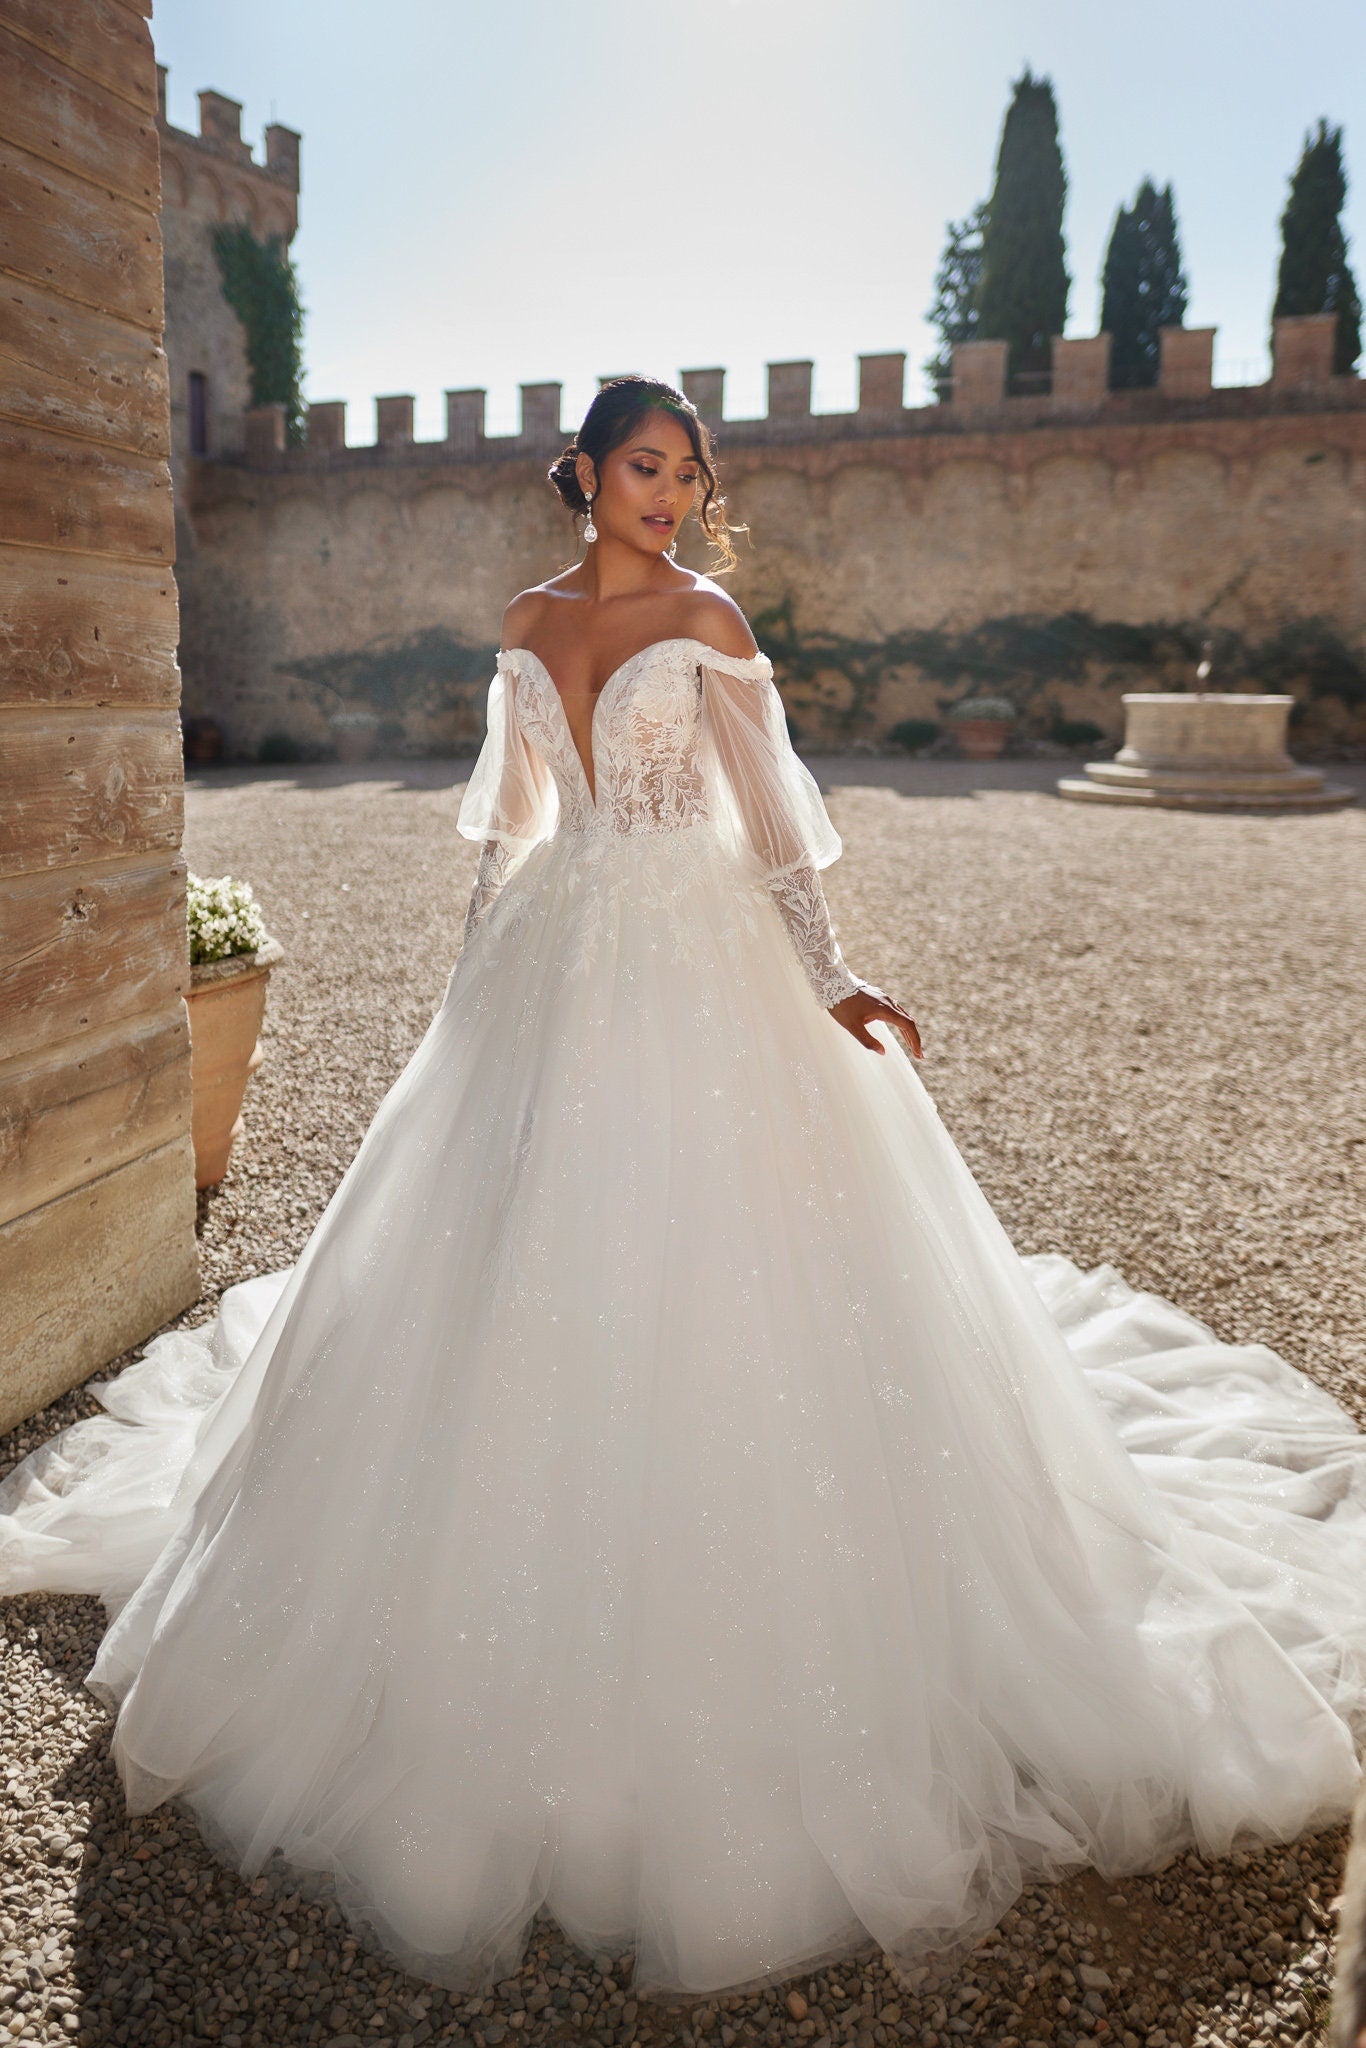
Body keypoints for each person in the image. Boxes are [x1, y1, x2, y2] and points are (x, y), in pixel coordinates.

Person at [2, 373, 1365, 2007]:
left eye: (687, 471)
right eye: (646, 466)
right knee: (506, 1257)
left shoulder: (710, 621)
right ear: (583, 470)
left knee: (738, 1264)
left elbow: (775, 831)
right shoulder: (527, 615)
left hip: (687, 949)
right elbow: (506, 822)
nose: (671, 493)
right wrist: (469, 987)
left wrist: (835, 981)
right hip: (551, 954)